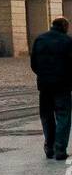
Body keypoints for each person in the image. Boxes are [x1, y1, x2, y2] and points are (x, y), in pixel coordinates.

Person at [30, 16, 72, 161]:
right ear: (65, 27)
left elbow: (33, 63)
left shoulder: (40, 40)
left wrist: (43, 75)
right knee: (63, 116)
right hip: (63, 85)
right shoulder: (68, 41)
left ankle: (49, 148)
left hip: (44, 85)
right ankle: (60, 149)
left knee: (47, 117)